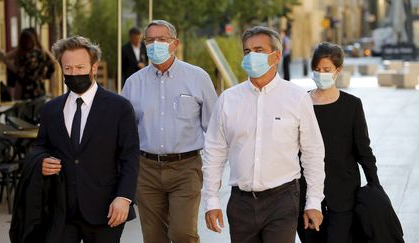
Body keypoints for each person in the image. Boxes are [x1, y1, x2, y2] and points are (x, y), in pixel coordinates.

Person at [202, 26, 325, 243]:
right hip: (241, 203)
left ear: (276, 56)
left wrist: (313, 202)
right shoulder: (228, 100)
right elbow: (214, 153)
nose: (251, 56)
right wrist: (211, 201)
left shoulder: (296, 98)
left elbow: (313, 153)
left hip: (282, 200)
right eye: (247, 52)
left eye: (258, 50)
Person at [34, 36, 140, 242]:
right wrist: (41, 161)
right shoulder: (51, 109)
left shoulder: (120, 107)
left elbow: (130, 157)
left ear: (94, 67)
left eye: (80, 67)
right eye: (68, 68)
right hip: (62, 211)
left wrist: (124, 198)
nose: (74, 73)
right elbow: (40, 147)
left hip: (106, 210)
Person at [122, 19, 218, 243]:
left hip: (186, 169)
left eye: (161, 39)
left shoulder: (197, 77)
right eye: (150, 40)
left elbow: (214, 130)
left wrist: (214, 174)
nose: (155, 44)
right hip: (146, 170)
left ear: (174, 44)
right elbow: (125, 133)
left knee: (182, 234)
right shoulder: (133, 83)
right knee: (153, 237)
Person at [296, 42, 381, 243]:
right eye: (317, 70)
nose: (321, 74)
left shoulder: (352, 105)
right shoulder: (301, 103)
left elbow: (363, 149)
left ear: (338, 70)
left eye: (326, 70)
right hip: (306, 193)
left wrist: (375, 185)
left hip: (344, 193)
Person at [2, 29, 54, 100]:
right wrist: (45, 76)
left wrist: (15, 69)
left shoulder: (21, 56)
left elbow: (5, 58)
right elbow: (52, 65)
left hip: (25, 93)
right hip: (40, 91)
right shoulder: (41, 53)